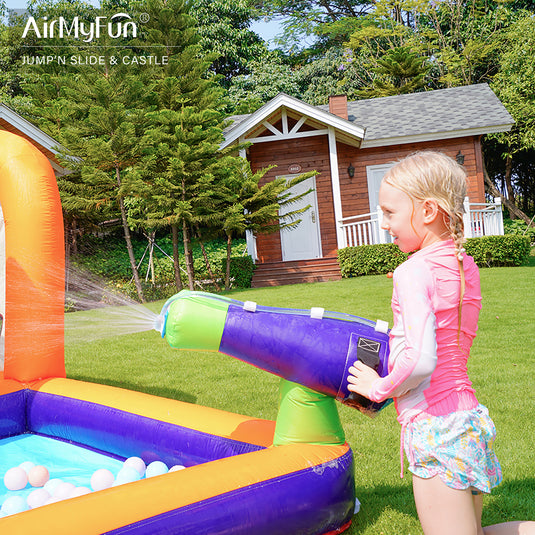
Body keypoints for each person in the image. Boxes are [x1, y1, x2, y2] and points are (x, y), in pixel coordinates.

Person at [346, 151, 535, 535]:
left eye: (390, 212)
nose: (384, 224)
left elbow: (419, 362)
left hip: (436, 429)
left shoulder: (413, 271)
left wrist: (377, 389)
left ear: (428, 210)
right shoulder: (465, 264)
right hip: (468, 421)